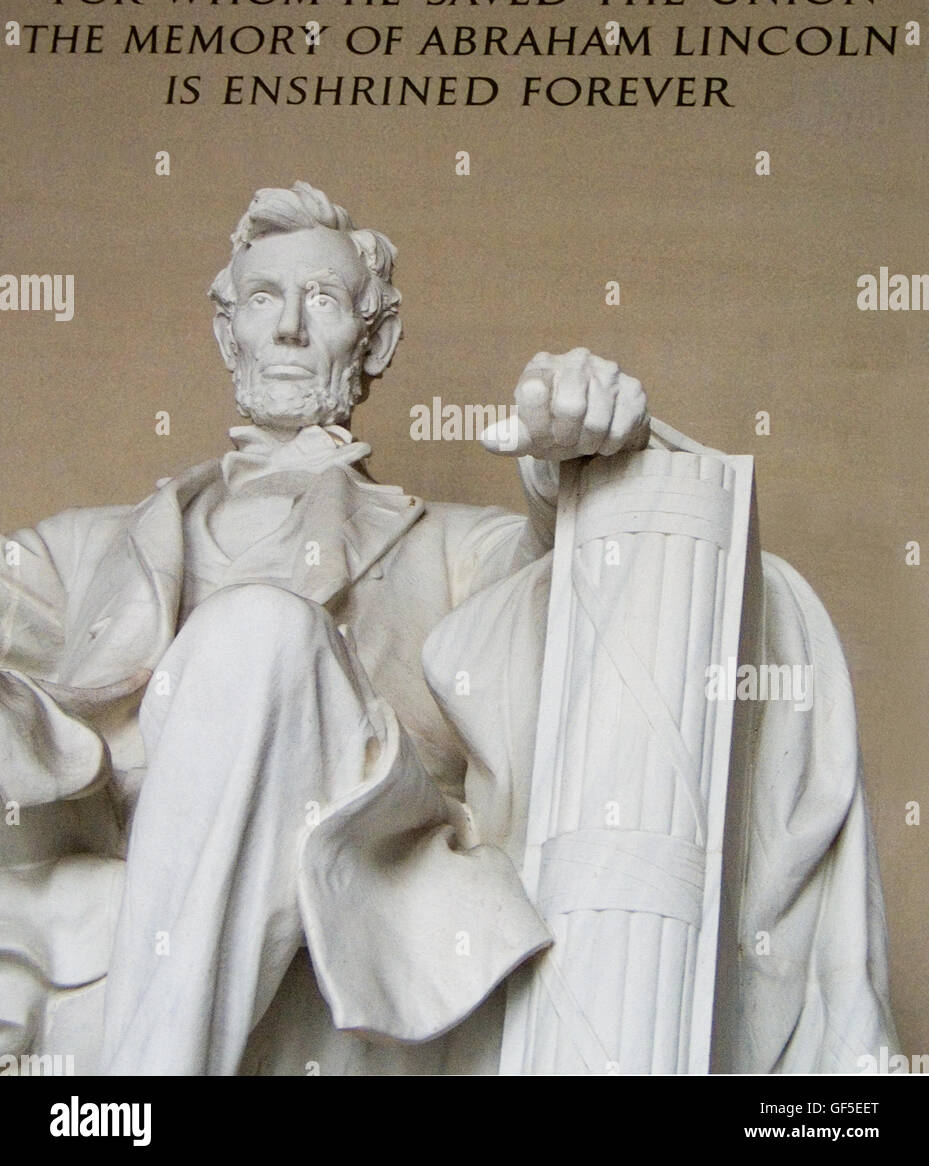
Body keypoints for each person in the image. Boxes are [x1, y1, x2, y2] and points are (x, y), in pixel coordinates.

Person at [0, 181, 897, 1076]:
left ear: (374, 336)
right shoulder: (74, 554)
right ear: (225, 327)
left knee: (259, 635)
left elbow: (583, 591)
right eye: (263, 298)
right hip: (96, 912)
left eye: (321, 300)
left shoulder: (452, 549)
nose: (286, 330)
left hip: (360, 917)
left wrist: (580, 465)